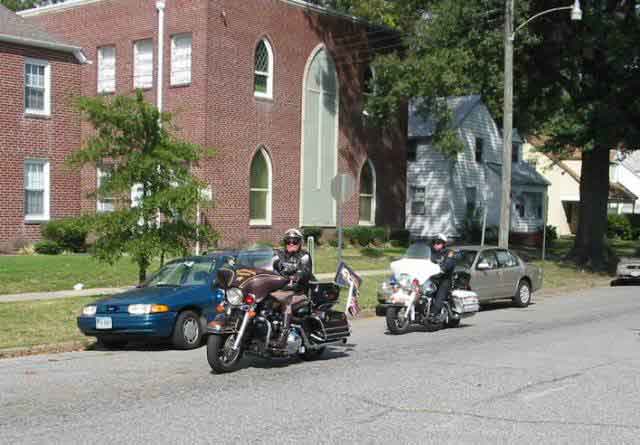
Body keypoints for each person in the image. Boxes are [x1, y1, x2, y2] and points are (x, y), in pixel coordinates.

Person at [271, 228, 313, 347]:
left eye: (294, 241)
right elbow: (268, 267)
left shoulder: (304, 256)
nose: (291, 244)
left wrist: (296, 276)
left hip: (299, 293)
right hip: (279, 290)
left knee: (286, 300)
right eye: (288, 241)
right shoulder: (278, 254)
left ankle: (283, 337)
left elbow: (304, 272)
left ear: (300, 243)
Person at [429, 233, 456, 323]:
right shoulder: (430, 253)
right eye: (434, 242)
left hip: (444, 279)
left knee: (440, 295)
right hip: (432, 278)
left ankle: (434, 314)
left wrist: (443, 269)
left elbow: (449, 263)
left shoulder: (449, 253)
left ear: (444, 244)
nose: (435, 244)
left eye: (438, 243)